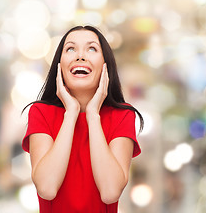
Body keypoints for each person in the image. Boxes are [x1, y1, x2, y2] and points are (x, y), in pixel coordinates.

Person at [22, 25, 144, 213]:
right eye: (70, 49)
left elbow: (110, 192)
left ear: (106, 65)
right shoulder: (40, 112)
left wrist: (93, 115)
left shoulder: (122, 116)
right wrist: (71, 113)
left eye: (92, 48)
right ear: (59, 65)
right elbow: (46, 188)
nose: (80, 56)